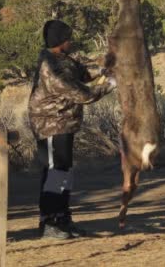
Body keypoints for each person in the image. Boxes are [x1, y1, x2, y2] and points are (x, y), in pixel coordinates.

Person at [28, 20, 116, 239]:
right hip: (49, 124)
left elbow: (82, 73)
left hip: (64, 124)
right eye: (68, 38)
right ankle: (48, 223)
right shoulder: (51, 67)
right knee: (54, 173)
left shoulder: (61, 59)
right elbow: (82, 94)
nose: (71, 41)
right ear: (60, 42)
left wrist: (102, 70)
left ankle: (63, 219)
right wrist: (109, 84)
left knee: (64, 172)